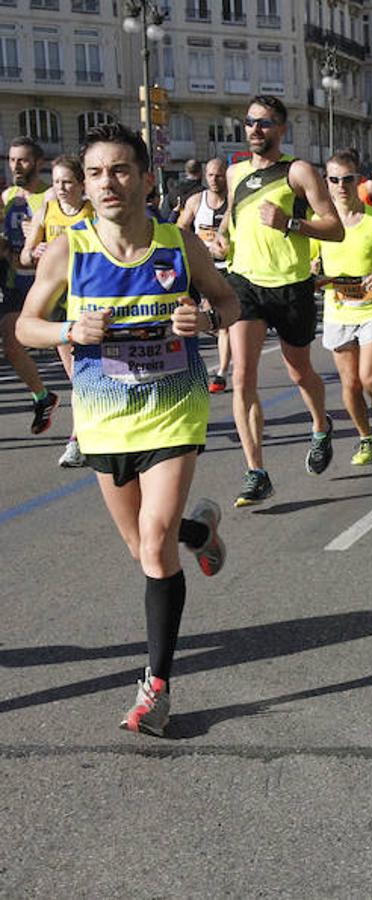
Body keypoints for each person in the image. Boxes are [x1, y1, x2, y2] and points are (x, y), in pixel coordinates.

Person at [16, 122, 240, 736]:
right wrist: (68, 331)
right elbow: (26, 327)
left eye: (119, 170)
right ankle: (202, 531)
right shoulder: (69, 249)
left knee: (153, 539)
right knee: (148, 549)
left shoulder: (176, 242)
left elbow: (229, 300)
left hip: (173, 407)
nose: (107, 182)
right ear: (84, 185)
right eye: (95, 173)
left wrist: (204, 316)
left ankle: (157, 688)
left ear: (145, 178)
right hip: (104, 418)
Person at [219, 95, 345, 506]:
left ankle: (320, 425)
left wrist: (289, 222)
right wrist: (221, 239)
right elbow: (229, 222)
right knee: (242, 377)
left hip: (291, 285)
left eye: (265, 123)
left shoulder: (298, 172)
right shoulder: (234, 171)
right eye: (251, 122)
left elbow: (335, 228)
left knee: (299, 371)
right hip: (244, 284)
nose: (256, 129)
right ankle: (256, 472)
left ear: (281, 129)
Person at [311, 149, 372, 466]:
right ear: (326, 182)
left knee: (370, 379)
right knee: (350, 384)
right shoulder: (319, 224)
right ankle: (365, 439)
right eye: (334, 180)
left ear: (358, 180)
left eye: (348, 179)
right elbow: (312, 271)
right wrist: (316, 273)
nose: (341, 186)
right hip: (338, 311)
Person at [19, 155, 93, 467]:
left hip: (88, 299)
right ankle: (84, 436)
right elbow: (24, 256)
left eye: (67, 182)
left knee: (85, 374)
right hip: (58, 301)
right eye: (57, 181)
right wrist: (35, 251)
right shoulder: (46, 210)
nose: (61, 188)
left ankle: (79, 440)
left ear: (81, 185)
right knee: (77, 375)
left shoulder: (93, 212)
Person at [1, 136, 59, 435]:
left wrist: (40, 240)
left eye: (22, 160)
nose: (16, 166)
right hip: (16, 280)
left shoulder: (50, 197)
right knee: (11, 346)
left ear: (38, 163)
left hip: (48, 284)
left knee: (68, 349)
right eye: (12, 160)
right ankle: (42, 396)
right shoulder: (9, 196)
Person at [177, 158, 232, 393]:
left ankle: (221, 372)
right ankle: (197, 367)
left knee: (223, 324)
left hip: (228, 268)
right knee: (200, 319)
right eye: (210, 175)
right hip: (200, 270)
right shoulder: (196, 201)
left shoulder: (233, 203)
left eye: (219, 175)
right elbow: (179, 231)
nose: (214, 180)